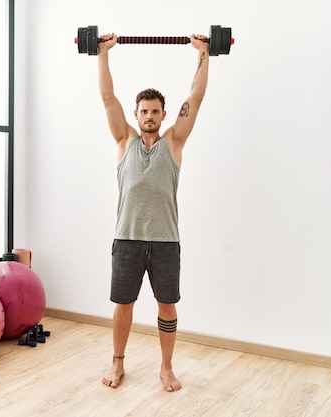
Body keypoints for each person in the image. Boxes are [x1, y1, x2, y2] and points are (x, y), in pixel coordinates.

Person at [98, 31, 209, 391]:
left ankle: (166, 367)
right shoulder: (124, 141)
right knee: (124, 305)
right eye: (143, 111)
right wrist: (102, 54)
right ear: (136, 114)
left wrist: (203, 54)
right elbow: (107, 96)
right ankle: (118, 364)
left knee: (166, 305)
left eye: (155, 111)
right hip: (127, 239)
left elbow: (196, 96)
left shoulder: (174, 143)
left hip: (164, 242)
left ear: (163, 114)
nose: (149, 116)